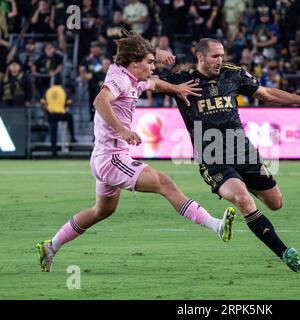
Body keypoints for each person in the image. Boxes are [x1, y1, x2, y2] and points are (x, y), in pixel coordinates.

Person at [35, 32, 236, 272]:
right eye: (150, 63)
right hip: (112, 158)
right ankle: (216, 226)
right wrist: (122, 130)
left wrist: (175, 88)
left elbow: (154, 83)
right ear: (134, 63)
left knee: (102, 210)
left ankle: (51, 246)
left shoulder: (133, 76)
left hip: (105, 157)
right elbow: (100, 101)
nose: (153, 67)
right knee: (165, 183)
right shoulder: (120, 80)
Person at [162, 38, 300, 272]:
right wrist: (160, 59)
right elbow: (146, 81)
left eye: (222, 55)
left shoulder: (232, 74)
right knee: (243, 200)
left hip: (243, 151)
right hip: (213, 159)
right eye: (214, 56)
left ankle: (242, 184)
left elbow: (266, 93)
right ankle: (283, 251)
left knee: (276, 203)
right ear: (199, 55)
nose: (220, 60)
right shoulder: (182, 80)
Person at [40, 83, 77, 158]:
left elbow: (42, 102)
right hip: (61, 114)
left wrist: (46, 113)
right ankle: (72, 137)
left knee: (53, 133)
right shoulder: (64, 90)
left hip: (51, 114)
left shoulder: (48, 90)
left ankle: (54, 153)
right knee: (70, 117)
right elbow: (69, 102)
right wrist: (64, 107)